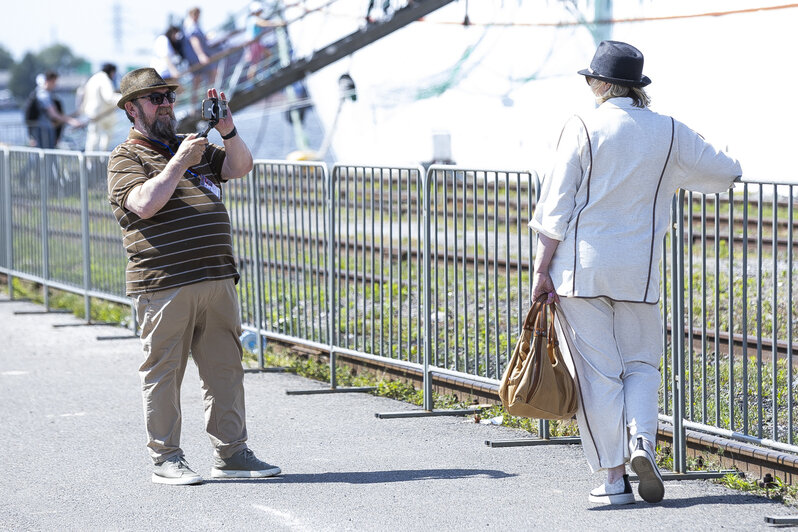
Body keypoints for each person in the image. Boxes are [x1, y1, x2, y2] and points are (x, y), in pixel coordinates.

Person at [528, 41, 741, 505]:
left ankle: (612, 481)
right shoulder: (668, 131)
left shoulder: (583, 126)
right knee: (642, 366)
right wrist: (670, 172)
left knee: (599, 377)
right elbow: (726, 173)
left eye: (591, 80)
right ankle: (643, 441)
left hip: (581, 273)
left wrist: (540, 272)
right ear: (637, 86)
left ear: (602, 85)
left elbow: (554, 208)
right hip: (640, 273)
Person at [106, 67, 280, 485]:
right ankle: (166, 458)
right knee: (164, 372)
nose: (165, 103)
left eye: (167, 96)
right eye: (154, 98)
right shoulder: (126, 157)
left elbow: (240, 167)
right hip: (164, 282)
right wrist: (179, 163)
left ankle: (232, 454)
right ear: (132, 109)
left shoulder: (193, 147)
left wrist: (229, 131)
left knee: (225, 369)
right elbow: (145, 204)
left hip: (216, 276)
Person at [27, 71, 82, 149]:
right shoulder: (43, 95)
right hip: (43, 131)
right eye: (54, 82)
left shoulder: (40, 93)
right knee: (46, 155)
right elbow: (53, 114)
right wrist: (71, 121)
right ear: (48, 81)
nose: (55, 85)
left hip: (43, 130)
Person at [80, 63, 121, 152]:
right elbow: (109, 97)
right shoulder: (104, 79)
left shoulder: (93, 78)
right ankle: (101, 159)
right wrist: (124, 99)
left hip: (92, 112)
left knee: (92, 137)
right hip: (102, 114)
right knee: (105, 135)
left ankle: (89, 163)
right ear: (112, 72)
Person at [182, 7, 215, 102]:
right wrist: (201, 55)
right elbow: (194, 41)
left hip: (194, 58)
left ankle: (199, 104)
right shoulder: (191, 26)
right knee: (203, 78)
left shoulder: (190, 25)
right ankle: (205, 102)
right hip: (196, 59)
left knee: (197, 81)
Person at [244, 1, 282, 80]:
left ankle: (264, 72)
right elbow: (263, 23)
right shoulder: (254, 19)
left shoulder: (251, 19)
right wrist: (277, 23)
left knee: (268, 54)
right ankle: (251, 81)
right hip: (253, 43)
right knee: (254, 63)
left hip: (256, 42)